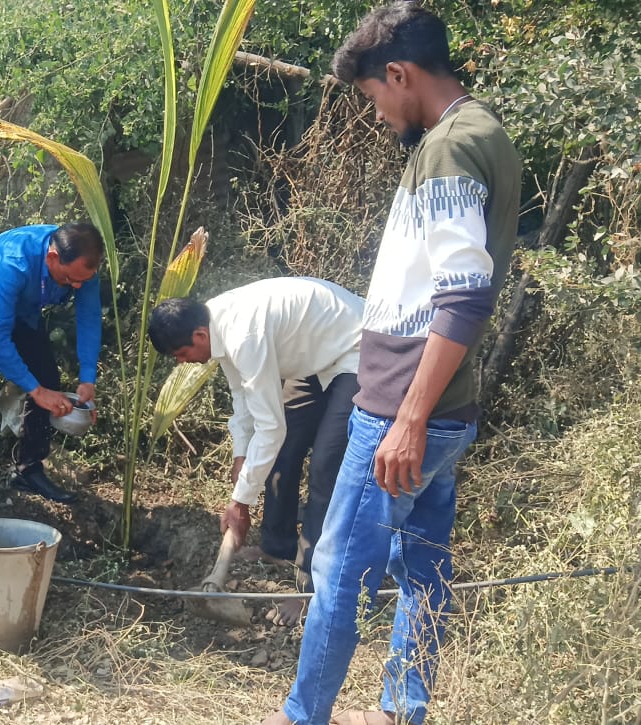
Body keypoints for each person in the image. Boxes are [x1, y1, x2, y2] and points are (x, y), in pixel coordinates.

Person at [262, 4, 521, 724]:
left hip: (403, 410)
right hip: (446, 410)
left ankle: (301, 715)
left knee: (340, 571)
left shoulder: (449, 149)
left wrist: (407, 418)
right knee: (423, 568)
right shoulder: (484, 133)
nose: (376, 113)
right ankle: (402, 708)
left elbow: (463, 295)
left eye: (374, 94)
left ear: (400, 74)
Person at [147, 278, 365, 627]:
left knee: (325, 466)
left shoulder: (242, 335)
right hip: (313, 357)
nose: (184, 363)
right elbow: (243, 397)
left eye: (181, 355)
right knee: (282, 451)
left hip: (355, 349)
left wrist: (240, 503)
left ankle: (309, 588)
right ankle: (277, 546)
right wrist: (241, 455)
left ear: (199, 336)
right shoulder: (216, 326)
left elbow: (270, 427)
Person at [0, 222, 104, 511]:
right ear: (52, 257)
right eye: (70, 279)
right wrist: (35, 391)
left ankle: (29, 469)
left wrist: (88, 378)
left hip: (23, 310)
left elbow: (89, 317)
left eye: (82, 281)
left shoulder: (83, 268)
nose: (76, 286)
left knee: (48, 377)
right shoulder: (15, 262)